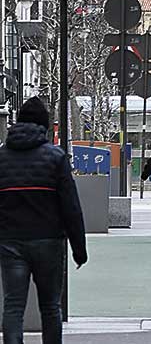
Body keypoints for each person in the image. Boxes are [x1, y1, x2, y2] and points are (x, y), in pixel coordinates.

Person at [0, 97, 87, 344]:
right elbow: (71, 207)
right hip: (48, 242)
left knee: (13, 307)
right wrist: (79, 250)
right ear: (45, 125)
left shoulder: (2, 158)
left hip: (10, 241)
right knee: (50, 308)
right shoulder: (56, 157)